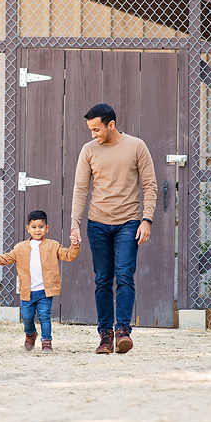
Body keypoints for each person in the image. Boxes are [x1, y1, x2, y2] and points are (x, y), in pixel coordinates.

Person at [70, 104, 157, 354]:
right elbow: (81, 189)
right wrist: (75, 224)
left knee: (125, 276)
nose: (93, 134)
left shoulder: (136, 146)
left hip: (129, 223)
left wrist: (146, 219)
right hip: (97, 224)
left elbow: (149, 185)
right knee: (102, 280)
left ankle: (122, 332)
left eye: (96, 129)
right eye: (90, 129)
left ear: (111, 124)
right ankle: (105, 335)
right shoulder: (88, 150)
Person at [0, 210, 80, 352]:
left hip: (45, 291)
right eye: (34, 227)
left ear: (47, 228)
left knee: (44, 316)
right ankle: (30, 334)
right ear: (28, 228)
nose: (37, 230)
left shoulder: (53, 245)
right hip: (27, 291)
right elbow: (6, 258)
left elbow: (68, 255)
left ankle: (47, 342)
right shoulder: (20, 247)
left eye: (41, 227)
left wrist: (75, 246)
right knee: (27, 316)